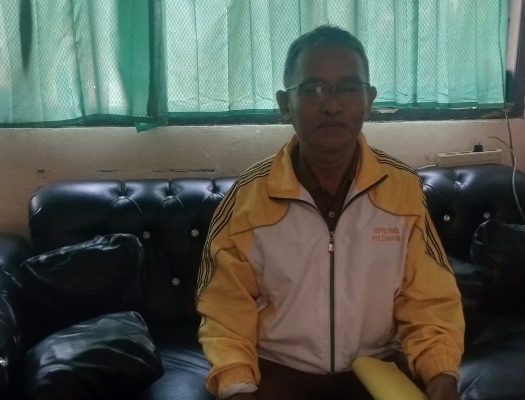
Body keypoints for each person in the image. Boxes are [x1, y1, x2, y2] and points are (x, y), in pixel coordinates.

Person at [196, 25, 464, 400]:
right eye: (314, 89)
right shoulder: (248, 196)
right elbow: (224, 311)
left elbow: (428, 302)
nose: (333, 105)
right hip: (278, 374)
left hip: (376, 374)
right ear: (285, 104)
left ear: (368, 100)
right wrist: (236, 383)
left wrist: (440, 372)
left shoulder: (401, 188)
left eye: (349, 88)